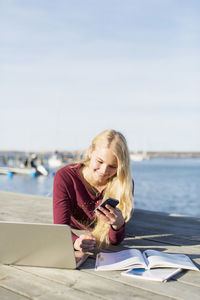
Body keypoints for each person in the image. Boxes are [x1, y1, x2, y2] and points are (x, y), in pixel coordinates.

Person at [53, 129, 134, 252]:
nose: (104, 170)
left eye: (112, 166)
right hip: (74, 228)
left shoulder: (122, 184)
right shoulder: (65, 177)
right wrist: (75, 242)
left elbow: (114, 240)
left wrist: (118, 225)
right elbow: (60, 229)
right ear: (91, 152)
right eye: (100, 161)